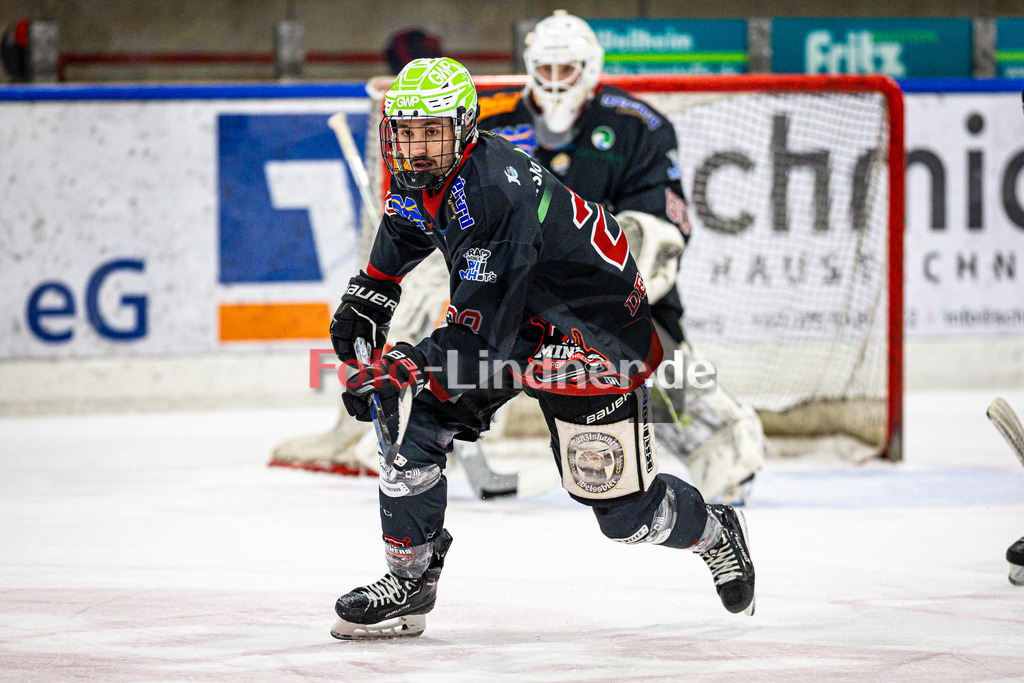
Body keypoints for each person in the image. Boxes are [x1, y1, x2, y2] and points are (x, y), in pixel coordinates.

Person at [328, 57, 755, 639]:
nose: (418, 147)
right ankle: (410, 582)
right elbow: (406, 228)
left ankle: (715, 531)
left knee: (626, 516)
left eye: (433, 131)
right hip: (514, 318)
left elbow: (479, 341)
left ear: (464, 127)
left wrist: (401, 363)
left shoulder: (492, 195)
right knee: (413, 420)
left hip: (591, 335)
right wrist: (370, 290)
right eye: (407, 131)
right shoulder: (425, 173)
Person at [476, 10, 765, 504]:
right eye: (544, 69)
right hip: (510, 295)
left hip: (609, 299)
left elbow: (661, 229)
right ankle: (421, 446)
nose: (554, 82)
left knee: (665, 377)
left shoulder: (639, 126)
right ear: (529, 66)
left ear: (591, 68)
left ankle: (718, 451)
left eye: (566, 70)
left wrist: (600, 298)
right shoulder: (492, 122)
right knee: (446, 345)